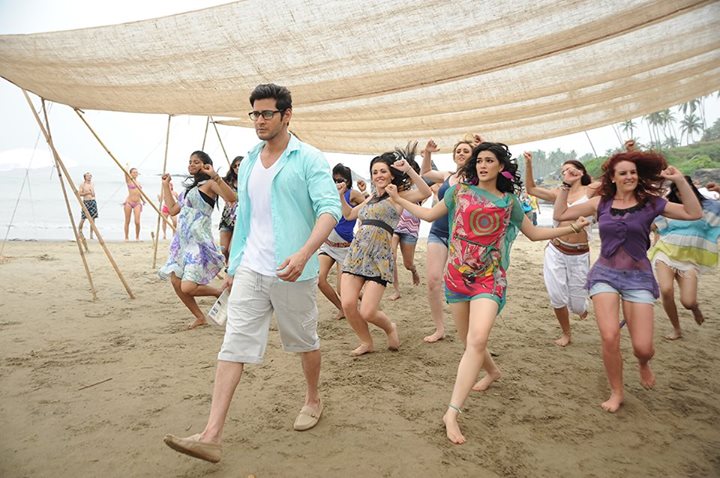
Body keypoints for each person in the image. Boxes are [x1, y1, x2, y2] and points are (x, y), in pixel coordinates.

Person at [163, 83, 341, 463]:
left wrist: (305, 252)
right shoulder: (248, 162)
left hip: (293, 270)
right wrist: (234, 266)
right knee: (233, 345)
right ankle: (211, 435)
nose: (259, 120)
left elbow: (330, 209)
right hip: (250, 270)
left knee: (304, 341)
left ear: (286, 115)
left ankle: (313, 398)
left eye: (267, 113)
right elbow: (244, 215)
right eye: (255, 114)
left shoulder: (309, 158)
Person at [387, 142, 590, 445]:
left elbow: (534, 233)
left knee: (477, 339)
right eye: (479, 160)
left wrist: (570, 228)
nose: (482, 165)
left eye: (489, 160)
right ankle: (492, 372)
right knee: (468, 340)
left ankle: (452, 413)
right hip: (457, 276)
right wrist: (398, 199)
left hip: (489, 279)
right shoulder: (459, 192)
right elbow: (429, 216)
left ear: (500, 166)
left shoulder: (509, 202)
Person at [553, 151, 702, 413]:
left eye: (633, 172)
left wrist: (679, 180)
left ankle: (643, 363)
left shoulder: (651, 203)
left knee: (643, 348)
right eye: (623, 173)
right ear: (613, 177)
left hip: (638, 277)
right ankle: (617, 392)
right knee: (609, 336)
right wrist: (566, 184)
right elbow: (562, 213)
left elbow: (693, 213)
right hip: (605, 275)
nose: (629, 176)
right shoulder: (600, 202)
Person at [339, 145, 432, 356]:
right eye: (375, 172)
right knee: (348, 304)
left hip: (379, 257)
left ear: (391, 174)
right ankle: (366, 342)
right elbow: (349, 215)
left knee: (368, 311)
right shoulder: (370, 197)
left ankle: (390, 327)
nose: (378, 175)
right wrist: (341, 196)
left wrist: (409, 170)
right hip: (356, 254)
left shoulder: (398, 196)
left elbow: (426, 192)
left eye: (383, 171)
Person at [524, 153, 600, 346]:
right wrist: (529, 163)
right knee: (557, 296)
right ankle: (566, 333)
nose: (566, 172)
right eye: (563, 170)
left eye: (570, 169)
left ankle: (581, 307)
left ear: (581, 172)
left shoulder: (591, 190)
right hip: (556, 249)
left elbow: (615, 180)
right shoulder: (559, 193)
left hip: (579, 253)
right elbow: (531, 189)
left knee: (578, 306)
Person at [158, 151, 237, 329]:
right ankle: (200, 317)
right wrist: (165, 186)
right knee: (175, 281)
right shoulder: (188, 190)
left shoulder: (210, 184)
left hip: (198, 243)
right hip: (182, 243)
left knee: (187, 287)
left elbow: (232, 198)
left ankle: (217, 292)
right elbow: (172, 209)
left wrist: (215, 176)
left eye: (196, 162)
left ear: (206, 165)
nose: (192, 164)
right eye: (190, 162)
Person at [419, 137, 476, 343]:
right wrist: (428, 153)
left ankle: (470, 327)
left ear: (473, 156)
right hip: (438, 231)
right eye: (458, 151)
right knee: (433, 281)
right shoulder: (447, 175)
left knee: (465, 283)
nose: (461, 153)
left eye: (466, 151)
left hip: (463, 238)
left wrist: (482, 147)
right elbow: (426, 172)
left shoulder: (478, 178)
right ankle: (439, 328)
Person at [649, 176, 720, 339]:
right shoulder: (670, 208)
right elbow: (653, 225)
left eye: (682, 189)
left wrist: (718, 190)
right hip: (665, 253)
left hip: (690, 259)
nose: (680, 193)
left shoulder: (709, 207)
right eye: (676, 191)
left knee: (688, 302)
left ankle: (695, 308)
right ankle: (676, 328)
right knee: (666, 290)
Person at [317, 163, 364, 319]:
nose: (337, 183)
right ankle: (341, 308)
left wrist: (364, 191)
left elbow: (370, 205)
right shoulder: (329, 194)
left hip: (345, 248)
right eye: (334, 180)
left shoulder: (353, 194)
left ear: (348, 181)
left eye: (340, 180)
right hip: (328, 245)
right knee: (319, 279)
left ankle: (365, 299)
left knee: (342, 289)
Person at [388, 159, 424, 300]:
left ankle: (413, 271)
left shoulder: (417, 189)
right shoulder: (396, 187)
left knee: (408, 264)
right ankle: (396, 290)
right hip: (395, 225)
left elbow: (427, 191)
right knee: (392, 256)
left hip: (411, 228)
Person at [219, 156, 243, 263]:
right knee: (224, 249)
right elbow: (216, 183)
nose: (237, 168)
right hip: (227, 218)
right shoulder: (228, 182)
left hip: (240, 219)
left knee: (232, 249)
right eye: (235, 166)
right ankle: (228, 265)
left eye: (239, 165)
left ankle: (230, 268)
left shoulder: (248, 181)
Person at [123, 167, 144, 241]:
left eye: (136, 172)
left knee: (137, 222)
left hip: (137, 203)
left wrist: (143, 200)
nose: (135, 173)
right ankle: (126, 237)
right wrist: (127, 167)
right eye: (134, 172)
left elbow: (139, 193)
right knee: (127, 221)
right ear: (131, 174)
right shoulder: (129, 181)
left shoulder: (139, 183)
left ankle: (137, 237)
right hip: (129, 202)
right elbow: (125, 173)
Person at [78, 172, 98, 239]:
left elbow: (93, 194)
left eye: (90, 176)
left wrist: (92, 193)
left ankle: (91, 235)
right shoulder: (82, 184)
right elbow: (79, 194)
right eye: (88, 176)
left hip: (93, 201)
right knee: (83, 218)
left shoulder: (92, 184)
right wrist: (87, 193)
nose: (89, 177)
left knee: (93, 219)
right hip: (86, 202)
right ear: (85, 177)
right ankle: (79, 232)